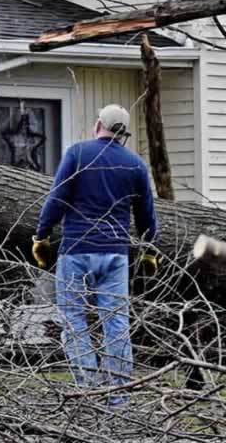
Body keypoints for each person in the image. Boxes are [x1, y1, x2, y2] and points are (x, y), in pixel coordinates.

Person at [32, 104, 159, 405]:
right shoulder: (135, 164)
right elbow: (146, 215)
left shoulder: (77, 153)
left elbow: (57, 198)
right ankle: (118, 398)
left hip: (76, 251)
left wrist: (42, 235)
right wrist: (150, 250)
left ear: (97, 124)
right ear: (123, 134)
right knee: (116, 323)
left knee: (73, 319)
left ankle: (89, 389)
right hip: (115, 255)